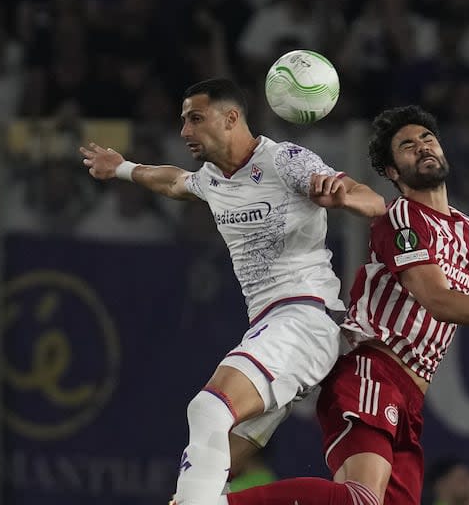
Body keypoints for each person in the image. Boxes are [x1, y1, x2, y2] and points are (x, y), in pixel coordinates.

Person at [223, 105, 469, 505]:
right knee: (362, 499)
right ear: (392, 172)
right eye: (406, 146)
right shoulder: (401, 218)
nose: (422, 147)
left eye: (427, 139)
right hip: (369, 370)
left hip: (410, 398)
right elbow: (437, 300)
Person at [78, 78, 386, 505]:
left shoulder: (285, 161)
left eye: (195, 118)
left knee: (208, 409)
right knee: (214, 467)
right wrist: (123, 168)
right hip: (273, 326)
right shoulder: (212, 178)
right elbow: (173, 183)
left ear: (231, 118)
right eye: (183, 120)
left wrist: (343, 195)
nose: (184, 131)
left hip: (305, 316)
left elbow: (370, 199)